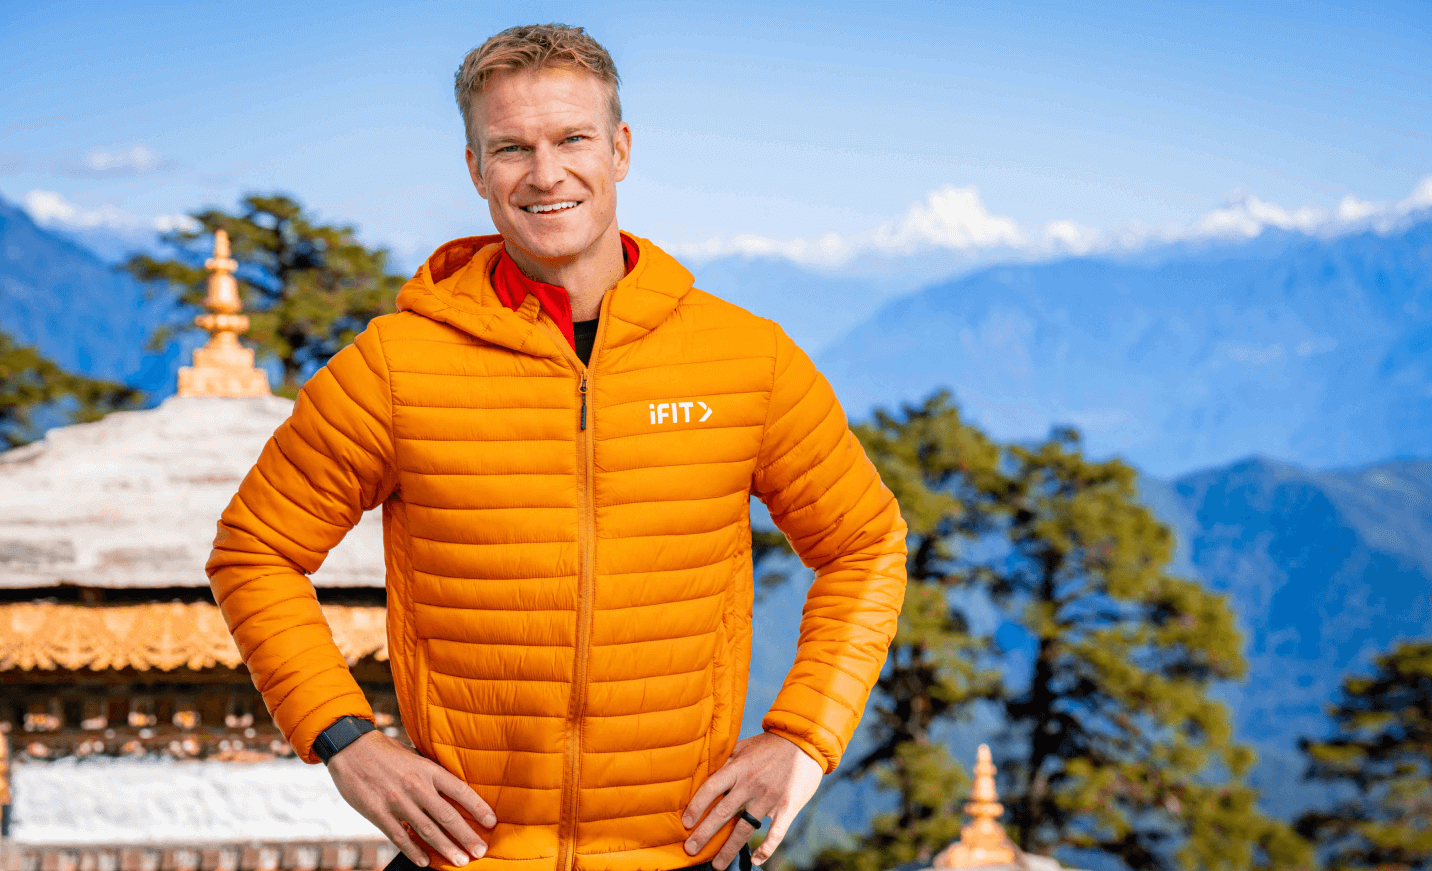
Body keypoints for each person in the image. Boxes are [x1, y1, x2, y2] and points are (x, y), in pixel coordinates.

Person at [206, 23, 907, 871]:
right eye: (511, 148)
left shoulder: (745, 358)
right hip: (463, 855)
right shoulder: (396, 365)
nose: (546, 174)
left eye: (572, 138)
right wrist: (344, 739)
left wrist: (803, 736)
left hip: (687, 851)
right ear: (475, 169)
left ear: (619, 148)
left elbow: (865, 544)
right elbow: (253, 549)